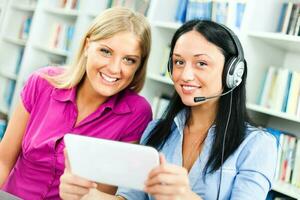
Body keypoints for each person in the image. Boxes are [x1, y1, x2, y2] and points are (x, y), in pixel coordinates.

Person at [59, 20, 277, 200]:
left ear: (233, 73)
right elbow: (131, 198)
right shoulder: (157, 131)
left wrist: (186, 197)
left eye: (201, 63)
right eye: (179, 62)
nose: (185, 75)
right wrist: (87, 194)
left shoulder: (257, 145)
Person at [0, 7, 152, 199]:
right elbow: (3, 162)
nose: (114, 68)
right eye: (106, 51)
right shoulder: (41, 83)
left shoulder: (137, 112)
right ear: (88, 46)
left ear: (139, 66)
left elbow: (104, 194)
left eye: (129, 60)